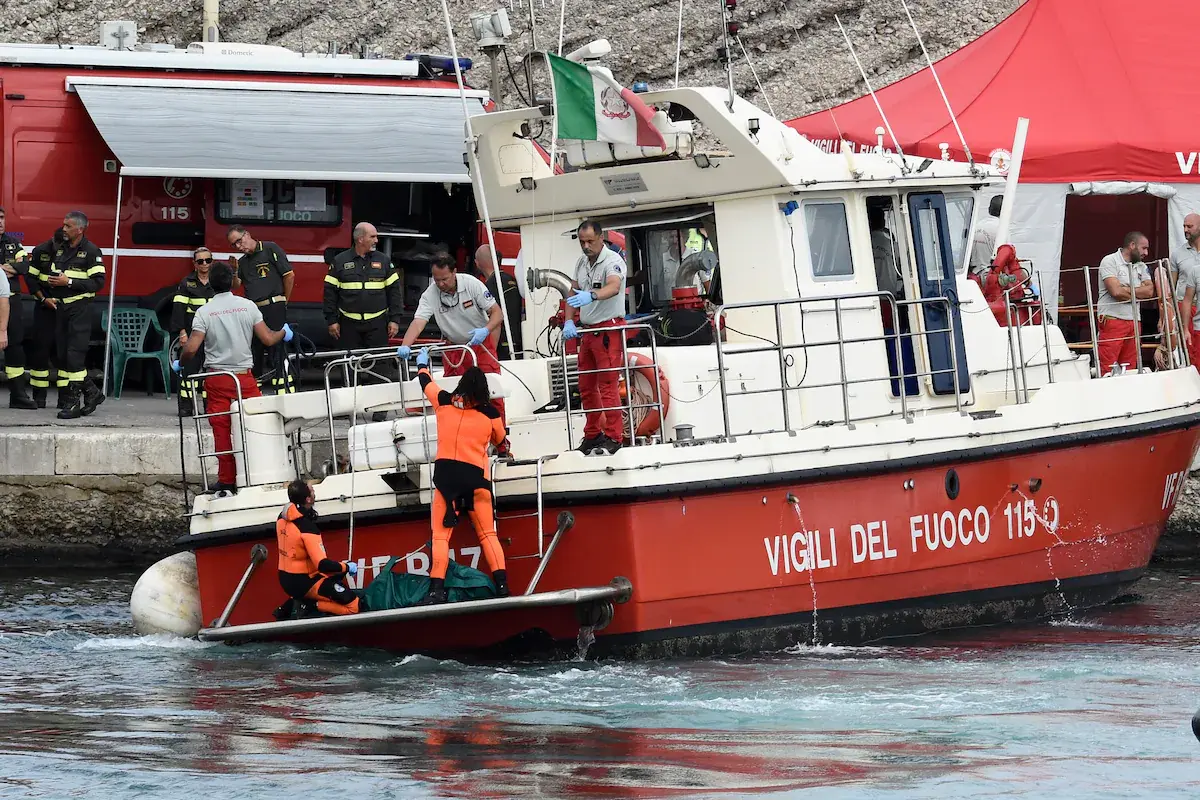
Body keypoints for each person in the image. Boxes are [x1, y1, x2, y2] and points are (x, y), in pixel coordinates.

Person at [178, 262, 292, 496]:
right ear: (232, 282)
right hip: (244, 378)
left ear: (211, 284)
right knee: (256, 426)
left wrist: (180, 362)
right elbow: (268, 339)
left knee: (221, 431)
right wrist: (285, 332)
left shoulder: (204, 312)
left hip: (217, 378)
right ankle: (261, 476)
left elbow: (192, 349)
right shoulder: (248, 306)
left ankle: (227, 482)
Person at [412, 349, 509, 604]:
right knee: (488, 535)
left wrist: (422, 364)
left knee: (440, 536)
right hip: (476, 480)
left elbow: (425, 382)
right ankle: (501, 585)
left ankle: (436, 590)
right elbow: (501, 442)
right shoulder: (491, 414)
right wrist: (503, 449)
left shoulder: (444, 401)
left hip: (446, 481)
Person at [396, 252, 507, 422]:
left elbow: (497, 313)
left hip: (481, 346)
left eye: (445, 279)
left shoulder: (472, 284)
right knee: (454, 395)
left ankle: (499, 433)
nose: (441, 284)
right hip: (453, 349)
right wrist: (406, 345)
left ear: (454, 272)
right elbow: (418, 323)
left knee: (491, 390)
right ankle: (460, 429)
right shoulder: (430, 294)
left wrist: (485, 330)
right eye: (436, 280)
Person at [562, 219, 628, 455]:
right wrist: (568, 319)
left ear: (601, 238)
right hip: (588, 331)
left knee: (608, 385)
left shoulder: (613, 261)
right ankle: (592, 434)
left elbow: (614, 286)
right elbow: (572, 292)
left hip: (608, 330)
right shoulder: (582, 262)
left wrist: (592, 295)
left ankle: (614, 436)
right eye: (582, 242)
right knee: (586, 386)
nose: (586, 246)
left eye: (590, 241)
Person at [45, 211, 106, 420]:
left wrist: (69, 282)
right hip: (62, 309)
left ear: (80, 229)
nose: (64, 229)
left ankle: (73, 404)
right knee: (62, 355)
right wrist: (53, 283)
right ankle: (93, 392)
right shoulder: (61, 249)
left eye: (68, 226)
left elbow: (98, 282)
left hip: (80, 309)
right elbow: (55, 273)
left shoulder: (91, 251)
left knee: (74, 356)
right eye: (63, 225)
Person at [276, 479, 361, 616]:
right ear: (308, 499)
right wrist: (346, 566)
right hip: (305, 582)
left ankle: (301, 602)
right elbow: (322, 565)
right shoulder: (307, 528)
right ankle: (311, 606)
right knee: (354, 605)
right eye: (312, 490)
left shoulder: (281, 518)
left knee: (334, 579)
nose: (314, 491)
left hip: (286, 579)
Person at [227, 225, 295, 394]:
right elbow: (236, 286)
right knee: (255, 351)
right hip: (254, 311)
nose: (238, 246)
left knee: (278, 351)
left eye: (239, 241)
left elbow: (289, 275)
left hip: (274, 305)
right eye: (234, 245)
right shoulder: (243, 262)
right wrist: (234, 271)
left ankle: (284, 392)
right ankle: (254, 394)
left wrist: (283, 301)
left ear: (247, 234)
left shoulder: (270, 248)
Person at [324, 222, 402, 350]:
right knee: (349, 361)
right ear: (360, 239)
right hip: (348, 326)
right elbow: (329, 294)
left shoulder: (384, 261)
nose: (376, 240)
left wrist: (395, 319)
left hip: (377, 325)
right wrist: (331, 320)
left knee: (377, 361)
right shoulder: (339, 261)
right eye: (372, 237)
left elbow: (394, 292)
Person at [1096, 231, 1155, 375]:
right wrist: (1137, 292)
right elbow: (1116, 292)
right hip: (1113, 319)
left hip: (1134, 321)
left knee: (1131, 369)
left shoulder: (1141, 265)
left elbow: (1150, 292)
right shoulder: (1109, 260)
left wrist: (1125, 289)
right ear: (1132, 245)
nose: (1146, 253)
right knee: (1107, 368)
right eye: (1144, 248)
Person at [171, 248, 216, 416]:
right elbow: (178, 309)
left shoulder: (217, 282)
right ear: (194, 264)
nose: (204, 264)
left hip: (214, 335)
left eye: (207, 260)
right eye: (200, 261)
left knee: (211, 372)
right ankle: (186, 407)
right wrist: (182, 332)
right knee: (189, 370)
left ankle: (210, 406)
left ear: (212, 261)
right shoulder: (186, 283)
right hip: (193, 334)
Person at [24, 230, 66, 408]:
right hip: (44, 307)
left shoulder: (75, 252)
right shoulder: (41, 251)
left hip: (66, 309)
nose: (60, 249)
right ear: (53, 240)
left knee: (63, 353)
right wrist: (43, 299)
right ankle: (39, 398)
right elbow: (31, 279)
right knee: (40, 352)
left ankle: (65, 399)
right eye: (58, 245)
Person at [0, 207, 35, 409]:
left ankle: (18, 395)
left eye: (2, 218)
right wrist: (10, 268)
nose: (0, 222)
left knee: (15, 346)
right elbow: (17, 267)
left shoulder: (13, 243)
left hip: (12, 301)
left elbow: (25, 266)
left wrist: (3, 268)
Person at [474, 243, 522, 360]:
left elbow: (494, 318)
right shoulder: (511, 279)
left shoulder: (490, 286)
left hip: (501, 344)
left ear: (477, 263)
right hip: (517, 340)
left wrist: (491, 353)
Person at [1171, 213, 1200, 368]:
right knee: (1189, 353)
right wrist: (1168, 316)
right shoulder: (1177, 254)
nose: (1185, 230)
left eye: (1190, 226)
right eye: (1184, 226)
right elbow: (1171, 287)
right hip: (1185, 307)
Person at [969, 195, 1003, 278]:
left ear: (989, 209)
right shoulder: (1001, 228)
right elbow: (1007, 256)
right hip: (991, 277)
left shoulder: (977, 226)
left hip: (974, 275)